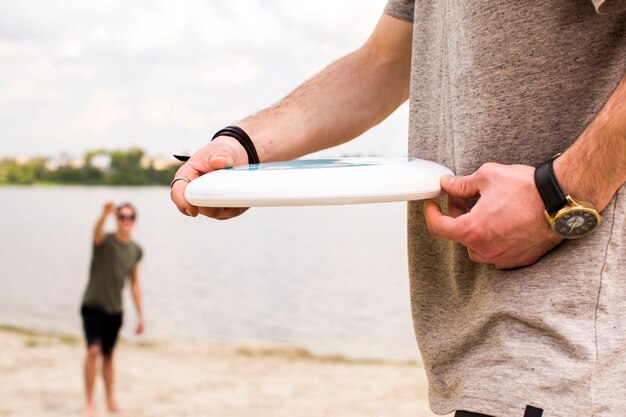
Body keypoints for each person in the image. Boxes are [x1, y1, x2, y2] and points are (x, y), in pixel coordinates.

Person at [171, 2, 625, 416]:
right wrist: (243, 144)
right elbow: (383, 63)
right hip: (482, 349)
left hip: (572, 344)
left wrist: (562, 192)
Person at [81, 202, 144, 416]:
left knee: (108, 355)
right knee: (93, 351)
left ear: (134, 221)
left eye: (129, 217)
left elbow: (134, 282)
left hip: (115, 310)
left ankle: (110, 400)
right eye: (121, 217)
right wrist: (103, 215)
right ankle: (89, 402)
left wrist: (141, 315)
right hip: (92, 305)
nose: (125, 220)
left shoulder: (135, 250)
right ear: (116, 220)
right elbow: (95, 234)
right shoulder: (105, 241)